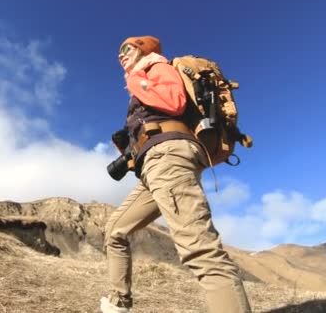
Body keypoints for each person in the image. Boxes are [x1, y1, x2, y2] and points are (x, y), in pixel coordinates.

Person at [100, 36, 252, 313]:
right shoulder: (145, 75)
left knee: (200, 249)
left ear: (145, 50)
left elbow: (174, 102)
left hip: (168, 159)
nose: (121, 55)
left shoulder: (156, 66)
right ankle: (117, 303)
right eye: (118, 52)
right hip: (153, 166)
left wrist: (137, 81)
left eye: (127, 49)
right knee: (115, 230)